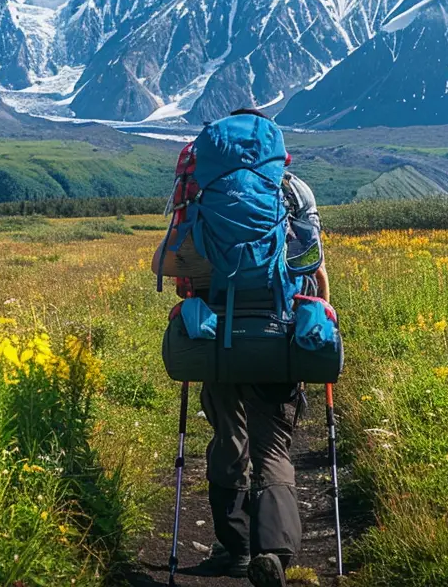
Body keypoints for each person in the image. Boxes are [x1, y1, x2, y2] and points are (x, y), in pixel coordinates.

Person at [152, 108, 329, 587]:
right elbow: (314, 269)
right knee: (273, 445)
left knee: (229, 437)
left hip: (216, 339)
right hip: (278, 330)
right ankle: (274, 550)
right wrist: (316, 315)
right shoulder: (293, 191)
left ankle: (233, 549)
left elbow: (164, 265)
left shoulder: (202, 194)